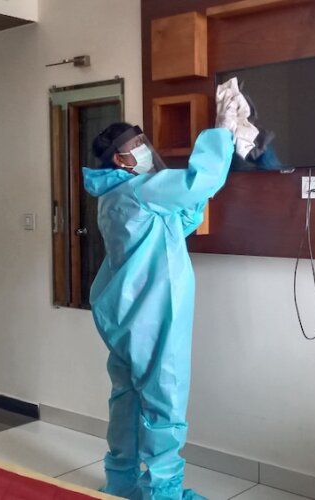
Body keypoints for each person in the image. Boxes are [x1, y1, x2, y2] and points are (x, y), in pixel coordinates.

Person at [84, 91, 249, 499]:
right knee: (164, 403)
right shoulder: (140, 190)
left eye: (143, 142)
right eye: (136, 146)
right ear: (120, 159)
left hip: (123, 313)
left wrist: (193, 199)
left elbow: (179, 220)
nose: (145, 150)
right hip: (154, 314)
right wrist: (222, 132)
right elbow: (198, 181)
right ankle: (164, 493)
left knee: (127, 399)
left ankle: (121, 482)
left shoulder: (114, 195)